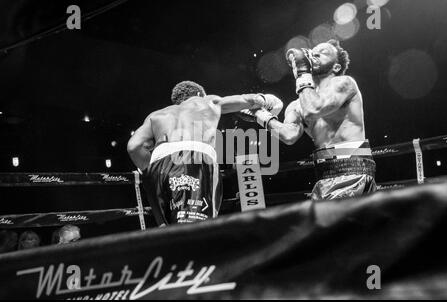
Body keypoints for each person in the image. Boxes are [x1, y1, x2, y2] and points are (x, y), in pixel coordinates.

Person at [127, 81, 283, 226]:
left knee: (168, 232)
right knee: (195, 228)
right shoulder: (206, 101)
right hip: (193, 161)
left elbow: (134, 147)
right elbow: (249, 99)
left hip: (158, 168)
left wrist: (153, 170)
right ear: (199, 94)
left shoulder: (156, 115)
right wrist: (267, 100)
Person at [242, 40, 376, 200]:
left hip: (354, 173)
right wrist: (260, 115)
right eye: (314, 51)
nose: (316, 53)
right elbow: (289, 136)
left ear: (336, 67)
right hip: (323, 178)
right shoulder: (297, 105)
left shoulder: (344, 83)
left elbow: (315, 109)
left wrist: (302, 73)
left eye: (324, 52)